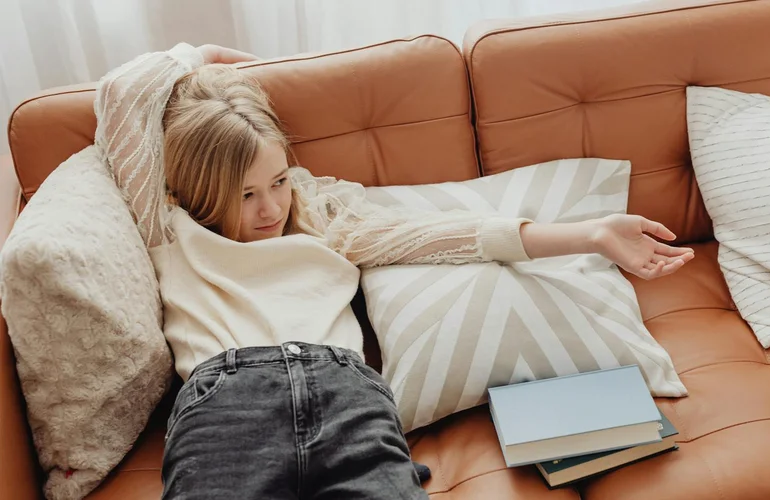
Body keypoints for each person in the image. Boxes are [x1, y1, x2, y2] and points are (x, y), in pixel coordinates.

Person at [93, 42, 695, 500]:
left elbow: (449, 238)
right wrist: (209, 64)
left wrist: (590, 234)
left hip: (345, 390)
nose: (270, 208)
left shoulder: (319, 219)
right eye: (245, 194)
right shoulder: (168, 228)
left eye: (278, 181)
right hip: (227, 399)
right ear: (196, 190)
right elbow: (123, 92)